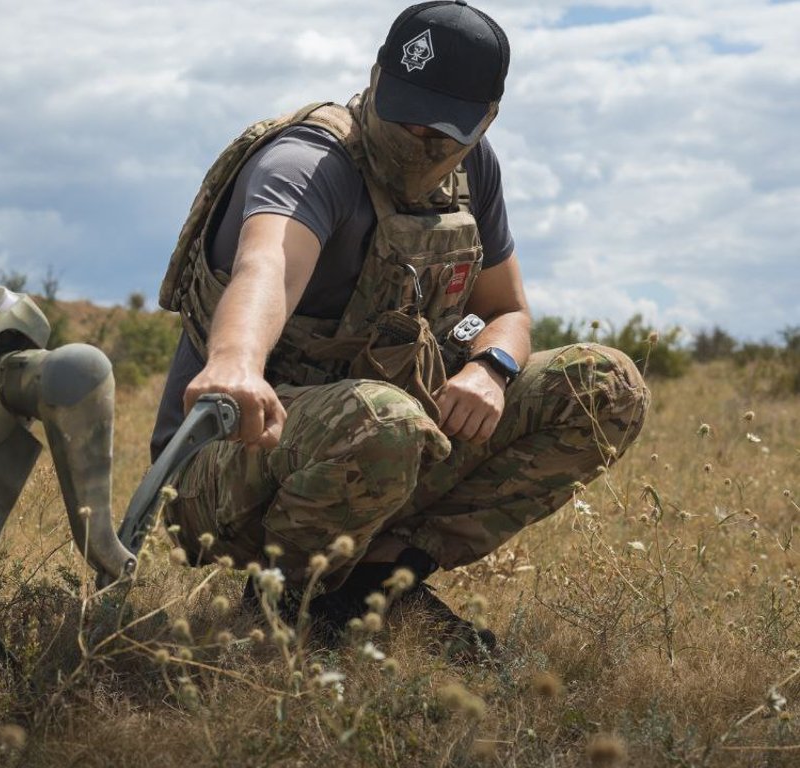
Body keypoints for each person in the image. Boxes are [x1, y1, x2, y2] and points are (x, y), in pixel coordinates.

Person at [152, 0, 648, 654]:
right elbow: (266, 263)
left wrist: (489, 370)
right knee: (382, 421)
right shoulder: (308, 160)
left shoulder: (475, 170)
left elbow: (508, 311)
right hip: (232, 457)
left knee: (603, 385)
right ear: (376, 77)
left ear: (484, 121)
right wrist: (236, 362)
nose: (416, 135)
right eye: (402, 109)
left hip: (386, 440)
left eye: (439, 127)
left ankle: (379, 582)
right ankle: (286, 601)